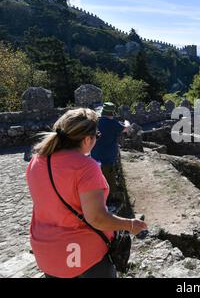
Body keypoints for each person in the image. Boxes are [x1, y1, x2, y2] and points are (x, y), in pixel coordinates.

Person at [26, 108, 147, 278]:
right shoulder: (85, 167)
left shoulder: (36, 161)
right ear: (87, 139)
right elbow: (97, 218)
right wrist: (130, 225)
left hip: (46, 253)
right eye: (96, 135)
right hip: (81, 255)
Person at [91, 102, 130, 206]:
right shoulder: (113, 123)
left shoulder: (95, 122)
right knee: (108, 180)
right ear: (112, 113)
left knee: (95, 181)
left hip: (93, 158)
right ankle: (108, 202)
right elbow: (126, 129)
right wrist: (127, 122)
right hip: (107, 159)